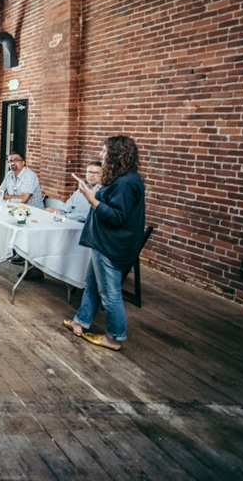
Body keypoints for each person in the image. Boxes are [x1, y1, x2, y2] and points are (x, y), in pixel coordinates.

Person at [65, 136, 145, 352]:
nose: (102, 155)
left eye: (104, 152)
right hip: (102, 242)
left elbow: (117, 216)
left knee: (110, 293)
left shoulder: (126, 183)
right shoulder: (123, 179)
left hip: (111, 245)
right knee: (91, 284)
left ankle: (115, 337)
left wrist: (91, 199)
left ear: (116, 155)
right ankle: (80, 322)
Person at [0, 152, 44, 268]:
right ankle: (8, 250)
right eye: (10, 161)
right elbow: (0, 192)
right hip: (16, 211)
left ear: (23, 162)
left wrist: (4, 196)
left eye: (16, 160)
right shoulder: (9, 175)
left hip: (33, 214)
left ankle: (23, 253)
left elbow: (23, 199)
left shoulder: (29, 176)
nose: (13, 163)